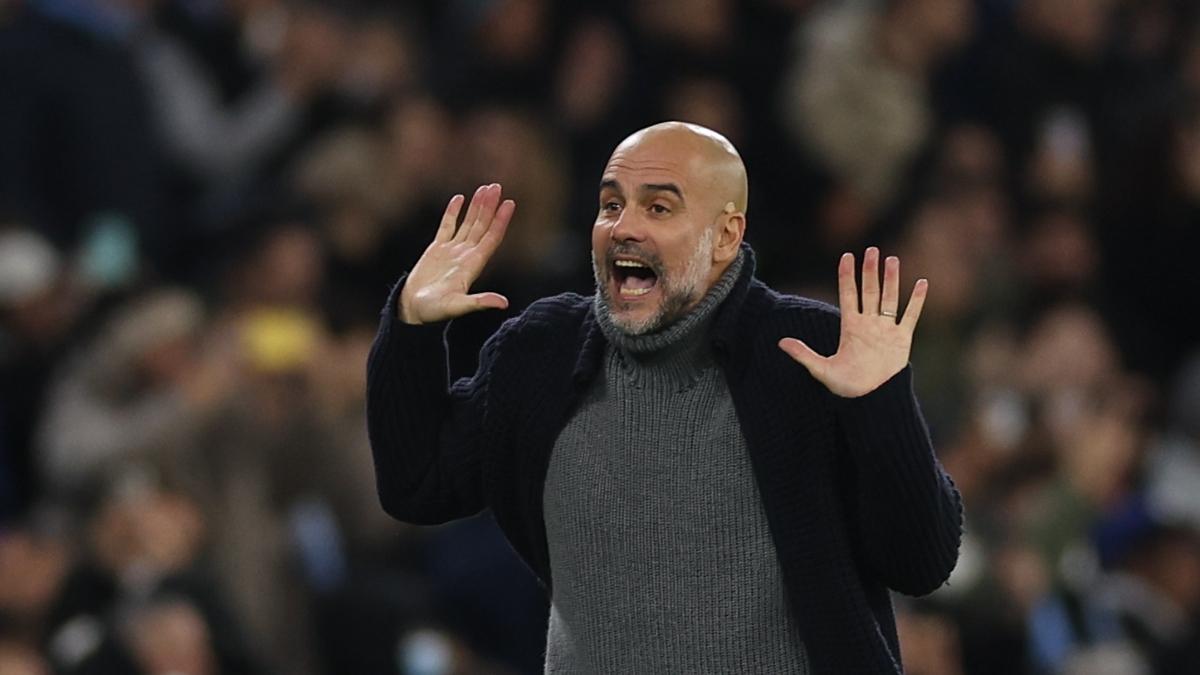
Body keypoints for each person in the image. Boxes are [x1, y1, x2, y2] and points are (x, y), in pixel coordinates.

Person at [366, 121, 963, 673]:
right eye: (610, 205)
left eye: (658, 207)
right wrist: (412, 330)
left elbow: (921, 564)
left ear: (726, 235)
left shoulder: (811, 351)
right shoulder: (538, 354)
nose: (625, 226)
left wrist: (881, 405)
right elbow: (417, 484)